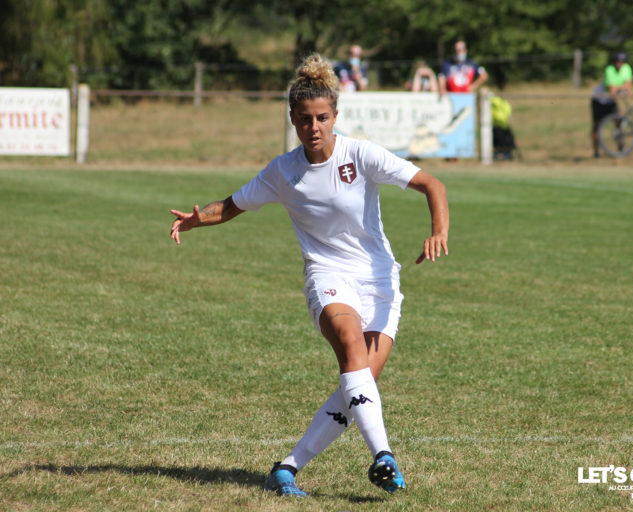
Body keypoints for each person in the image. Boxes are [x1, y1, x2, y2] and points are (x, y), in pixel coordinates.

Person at [169, 53, 449, 498]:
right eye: (303, 120)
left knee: (355, 389)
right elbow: (233, 204)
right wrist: (195, 219)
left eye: (321, 118)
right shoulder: (283, 171)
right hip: (327, 275)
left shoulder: (361, 154)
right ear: (292, 120)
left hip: (380, 282)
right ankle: (384, 455)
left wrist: (438, 231)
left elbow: (432, 184)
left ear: (335, 116)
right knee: (351, 346)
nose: (313, 127)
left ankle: (285, 469)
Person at [591, 52, 633, 158]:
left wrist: (622, 88)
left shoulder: (626, 68)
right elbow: (612, 90)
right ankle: (596, 151)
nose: (619, 64)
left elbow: (628, 85)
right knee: (596, 126)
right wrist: (622, 88)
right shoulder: (609, 70)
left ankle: (621, 148)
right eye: (617, 62)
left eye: (622, 62)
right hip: (599, 100)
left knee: (619, 123)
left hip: (610, 101)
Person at [491, 95, 517, 160]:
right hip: (504, 125)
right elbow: (509, 114)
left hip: (494, 125)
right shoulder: (505, 103)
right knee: (506, 140)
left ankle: (500, 154)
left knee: (498, 140)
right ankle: (506, 154)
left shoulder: (491, 101)